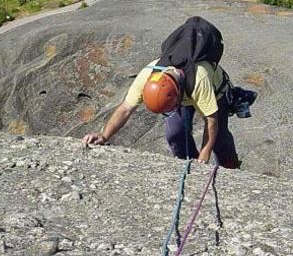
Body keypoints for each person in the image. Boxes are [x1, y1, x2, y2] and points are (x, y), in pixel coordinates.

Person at [82, 17, 241, 169]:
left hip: (215, 93)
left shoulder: (199, 79)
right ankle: (189, 167)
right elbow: (125, 109)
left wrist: (205, 153)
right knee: (175, 135)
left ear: (178, 95)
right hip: (181, 93)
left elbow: (211, 120)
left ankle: (231, 169)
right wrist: (104, 136)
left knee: (219, 139)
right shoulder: (147, 75)